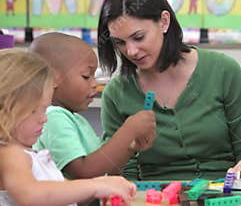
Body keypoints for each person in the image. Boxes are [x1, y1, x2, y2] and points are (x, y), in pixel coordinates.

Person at [97, 0, 241, 180]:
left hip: (223, 193)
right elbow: (124, 176)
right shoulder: (117, 94)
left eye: (138, 37)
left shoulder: (223, 71)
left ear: (164, 21)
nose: (130, 51)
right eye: (119, 43)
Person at [0, 49, 136, 206]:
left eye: (45, 108)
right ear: (5, 110)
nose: (44, 119)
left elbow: (64, 194)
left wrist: (105, 186)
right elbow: (31, 195)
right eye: (33, 111)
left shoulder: (31, 156)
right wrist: (95, 186)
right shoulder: (10, 154)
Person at [30, 32, 156, 179]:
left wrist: (130, 148)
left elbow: (105, 170)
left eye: (94, 77)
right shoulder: (53, 118)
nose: (94, 84)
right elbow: (83, 172)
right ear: (52, 78)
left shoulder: (74, 119)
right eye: (86, 76)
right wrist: (129, 130)